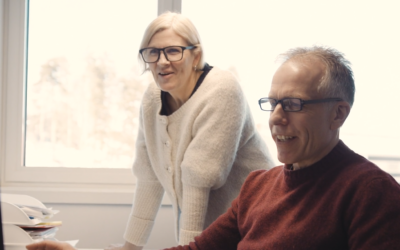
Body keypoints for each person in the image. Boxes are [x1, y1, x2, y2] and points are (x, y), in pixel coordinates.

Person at [26, 45, 400, 250]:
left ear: (338, 114)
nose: (277, 118)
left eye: (295, 104)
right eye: (273, 103)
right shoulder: (258, 187)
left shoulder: (371, 193)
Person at [108, 11, 273, 250]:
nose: (162, 61)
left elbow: (198, 177)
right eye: (152, 52)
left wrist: (188, 247)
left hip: (257, 226)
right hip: (210, 238)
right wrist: (129, 248)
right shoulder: (152, 100)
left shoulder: (221, 89)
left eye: (173, 51)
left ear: (195, 55)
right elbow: (149, 177)